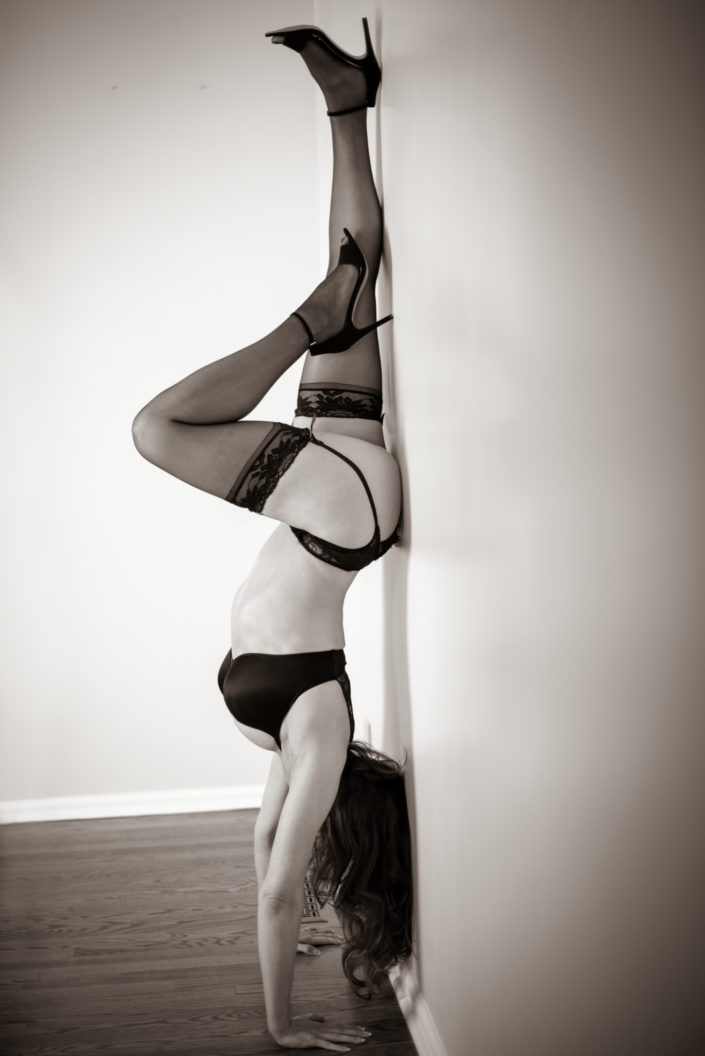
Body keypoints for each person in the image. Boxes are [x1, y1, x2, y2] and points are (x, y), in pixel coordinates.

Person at [132, 18, 412, 1052]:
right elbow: (282, 885)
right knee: (158, 431)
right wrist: (283, 1033)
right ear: (347, 811)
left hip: (335, 495)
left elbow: (264, 849)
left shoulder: (294, 755)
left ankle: (346, 104)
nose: (308, 838)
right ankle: (310, 316)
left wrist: (300, 953)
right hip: (343, 517)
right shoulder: (321, 732)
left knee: (353, 281)